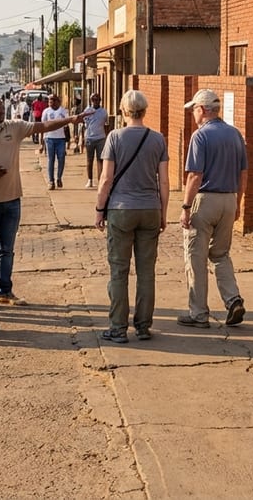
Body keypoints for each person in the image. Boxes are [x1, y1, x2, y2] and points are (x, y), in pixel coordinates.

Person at [0, 93, 83, 305]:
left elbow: (43, 126)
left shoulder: (13, 127)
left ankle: (5, 291)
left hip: (12, 200)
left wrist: (71, 119)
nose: (2, 110)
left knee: (7, 249)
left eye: (2, 107)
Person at [94, 90, 169, 343]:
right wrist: (163, 212)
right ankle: (143, 326)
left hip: (121, 208)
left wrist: (99, 209)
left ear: (124, 111)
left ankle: (117, 327)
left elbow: (106, 179)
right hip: (150, 208)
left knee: (119, 270)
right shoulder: (158, 139)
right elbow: (165, 182)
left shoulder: (114, 137)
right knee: (146, 271)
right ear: (145, 111)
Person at [176, 89, 249, 329]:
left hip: (205, 199)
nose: (193, 114)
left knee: (196, 257)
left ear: (203, 109)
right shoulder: (235, 134)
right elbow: (243, 172)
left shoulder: (201, 136)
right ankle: (233, 299)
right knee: (220, 254)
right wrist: (238, 202)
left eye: (194, 109)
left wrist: (186, 206)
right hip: (229, 198)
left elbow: (195, 175)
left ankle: (198, 313)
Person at [41, 94, 71, 190]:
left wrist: (69, 139)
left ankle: (59, 178)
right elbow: (42, 125)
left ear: (58, 101)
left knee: (61, 159)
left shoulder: (63, 111)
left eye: (53, 100)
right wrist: (42, 141)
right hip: (49, 138)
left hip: (61, 138)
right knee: (51, 160)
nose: (51, 102)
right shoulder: (46, 111)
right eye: (49, 101)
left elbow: (67, 124)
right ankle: (51, 181)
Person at [82, 93, 108, 188]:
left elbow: (106, 125)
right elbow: (83, 125)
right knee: (89, 160)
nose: (95, 101)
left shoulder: (104, 112)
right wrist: (82, 139)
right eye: (93, 99)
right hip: (89, 138)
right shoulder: (87, 111)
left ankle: (100, 180)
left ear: (100, 100)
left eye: (97, 99)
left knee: (100, 160)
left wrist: (107, 137)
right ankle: (90, 180)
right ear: (91, 100)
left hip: (100, 138)